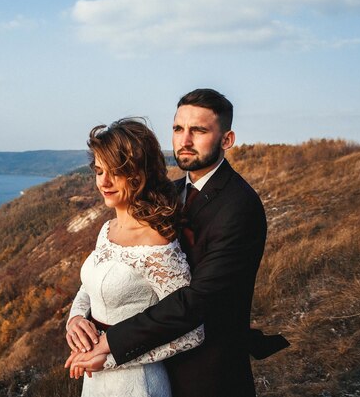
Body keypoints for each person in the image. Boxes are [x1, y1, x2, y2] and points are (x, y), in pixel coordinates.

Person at [67, 89, 288, 396]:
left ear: (226, 140)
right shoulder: (168, 194)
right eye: (178, 129)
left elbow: (197, 299)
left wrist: (110, 344)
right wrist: (78, 316)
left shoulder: (240, 207)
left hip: (207, 372)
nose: (184, 140)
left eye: (198, 130)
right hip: (153, 362)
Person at [65, 118, 205, 397]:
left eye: (114, 172)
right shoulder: (108, 229)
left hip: (137, 385)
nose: (103, 182)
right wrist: (75, 319)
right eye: (98, 170)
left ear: (138, 173)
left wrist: (110, 358)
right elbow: (89, 287)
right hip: (95, 381)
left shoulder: (158, 243)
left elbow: (192, 333)